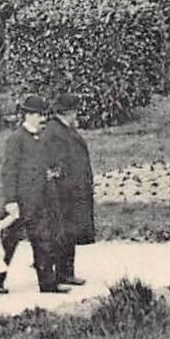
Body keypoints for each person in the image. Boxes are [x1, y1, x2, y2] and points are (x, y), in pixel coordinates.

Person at [0, 94, 82, 293]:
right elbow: (9, 171)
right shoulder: (16, 139)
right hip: (20, 202)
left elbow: (44, 165)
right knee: (8, 243)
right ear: (27, 115)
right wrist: (11, 200)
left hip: (40, 200)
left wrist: (52, 173)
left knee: (43, 241)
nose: (42, 118)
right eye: (37, 115)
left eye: (43, 114)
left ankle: (48, 285)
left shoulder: (41, 139)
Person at [40, 93, 96, 285]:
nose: (77, 115)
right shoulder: (54, 132)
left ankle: (66, 273)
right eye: (75, 111)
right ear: (69, 112)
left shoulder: (64, 129)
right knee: (60, 233)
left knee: (69, 233)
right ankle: (58, 274)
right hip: (63, 192)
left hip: (73, 190)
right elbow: (56, 164)